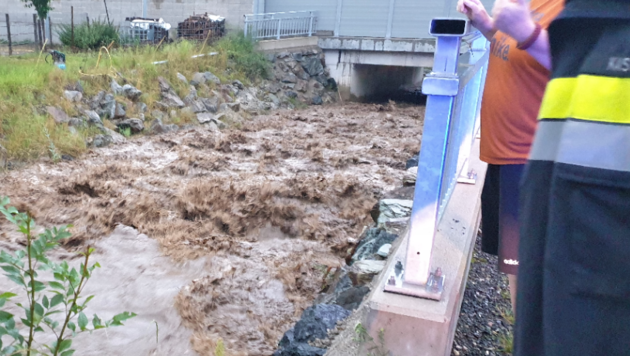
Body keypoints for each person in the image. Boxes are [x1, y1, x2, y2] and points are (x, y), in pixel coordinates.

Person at [493, 0, 630, 354]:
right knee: (526, 271)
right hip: (537, 169)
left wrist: (525, 32)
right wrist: (488, 26)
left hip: (542, 164)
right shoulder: (579, 15)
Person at [456, 0, 563, 315]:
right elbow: (517, 51)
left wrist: (527, 33)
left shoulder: (572, 7)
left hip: (532, 160)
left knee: (532, 273)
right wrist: (488, 27)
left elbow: (580, 64)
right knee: (517, 268)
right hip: (504, 155)